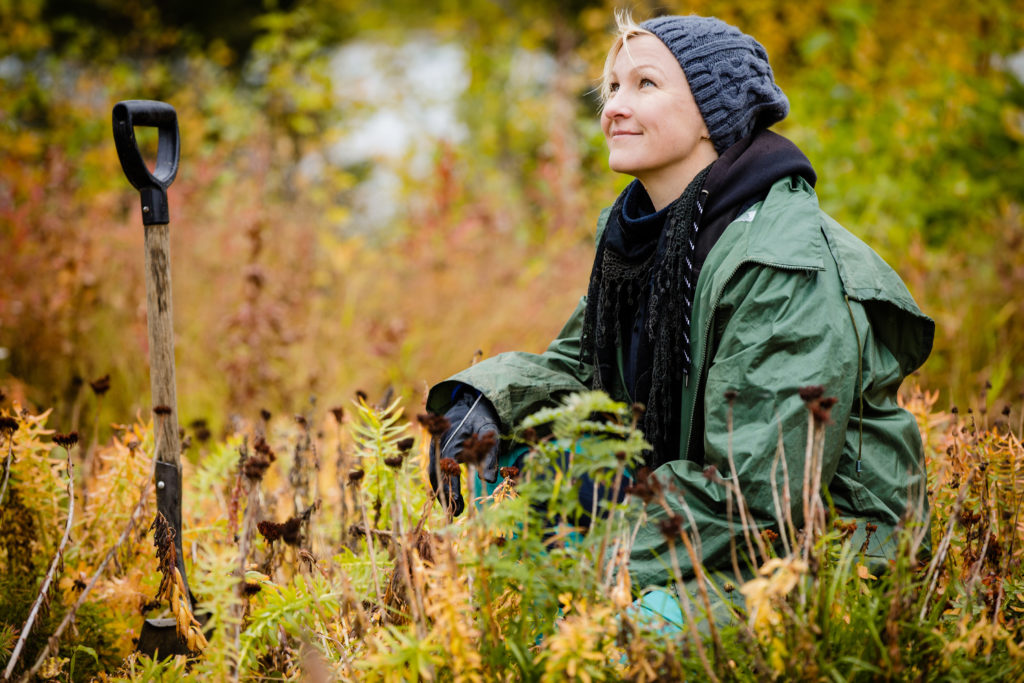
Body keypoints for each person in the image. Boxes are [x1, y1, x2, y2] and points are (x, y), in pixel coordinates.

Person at [424, 12, 933, 605]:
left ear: (712, 114)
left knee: (620, 648)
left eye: (645, 85)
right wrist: (483, 400)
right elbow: (581, 367)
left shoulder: (781, 263)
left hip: (815, 550)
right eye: (611, 88)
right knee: (502, 456)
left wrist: (579, 559)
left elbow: (760, 495)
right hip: (695, 505)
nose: (613, 106)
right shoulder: (640, 238)